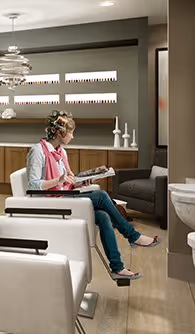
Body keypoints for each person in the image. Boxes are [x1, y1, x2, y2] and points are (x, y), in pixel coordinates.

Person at [26, 111, 159, 281]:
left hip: (66, 198)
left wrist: (81, 182)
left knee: (103, 216)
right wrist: (57, 179)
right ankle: (133, 236)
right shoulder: (37, 151)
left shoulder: (61, 153)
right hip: (52, 204)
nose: (73, 136)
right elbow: (32, 186)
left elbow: (69, 181)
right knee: (102, 196)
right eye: (71, 132)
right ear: (60, 133)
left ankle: (117, 268)